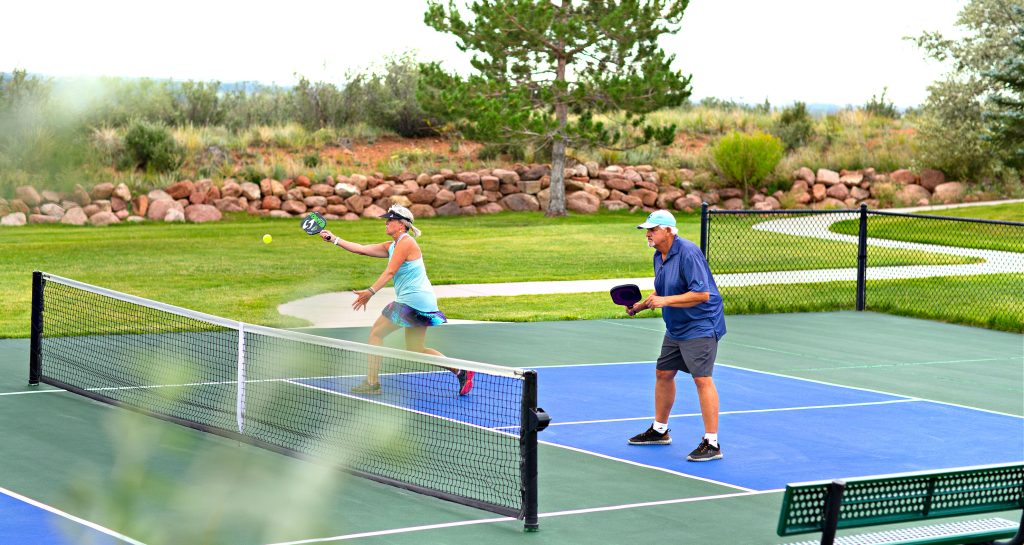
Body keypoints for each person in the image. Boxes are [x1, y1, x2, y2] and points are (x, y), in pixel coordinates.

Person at [319, 204, 474, 396]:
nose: (386, 223)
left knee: (376, 334)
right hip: (423, 301)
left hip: (411, 301)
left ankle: (372, 383)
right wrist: (334, 239)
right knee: (416, 349)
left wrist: (370, 292)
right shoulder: (392, 245)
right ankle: (461, 371)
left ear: (401, 224)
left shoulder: (406, 243)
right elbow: (362, 249)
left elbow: (390, 271)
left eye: (390, 220)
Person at [627, 209, 726, 462]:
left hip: (701, 324)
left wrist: (664, 301)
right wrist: (640, 306)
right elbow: (662, 291)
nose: (648, 234)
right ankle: (659, 430)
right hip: (676, 326)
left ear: (669, 231)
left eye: (653, 229)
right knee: (663, 373)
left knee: (702, 379)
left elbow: (701, 294)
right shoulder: (658, 256)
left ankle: (712, 443)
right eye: (647, 230)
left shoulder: (689, 253)